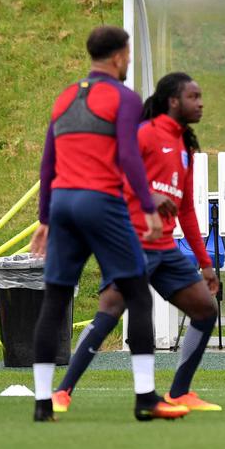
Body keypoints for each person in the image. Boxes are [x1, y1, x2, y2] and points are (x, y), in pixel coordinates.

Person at [29, 26, 179, 422]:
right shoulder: (124, 98)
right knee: (138, 295)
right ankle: (145, 398)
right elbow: (129, 156)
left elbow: (49, 161)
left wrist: (44, 218)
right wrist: (147, 206)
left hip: (62, 203)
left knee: (56, 299)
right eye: (128, 55)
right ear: (117, 57)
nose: (128, 61)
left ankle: (43, 404)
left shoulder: (64, 97)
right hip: (101, 203)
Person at [51, 72, 221, 415]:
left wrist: (204, 263)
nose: (201, 103)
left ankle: (179, 393)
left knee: (205, 309)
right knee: (110, 311)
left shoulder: (186, 146)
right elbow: (114, 177)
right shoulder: (144, 134)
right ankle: (61, 392)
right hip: (130, 240)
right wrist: (150, 195)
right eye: (194, 96)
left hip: (165, 249)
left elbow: (185, 208)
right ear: (173, 101)